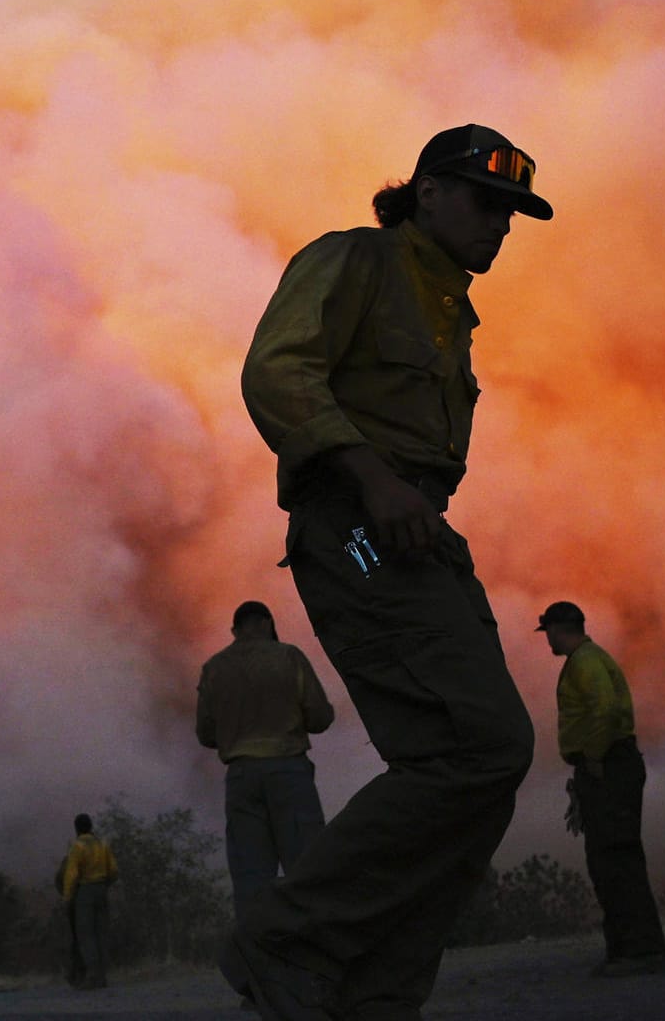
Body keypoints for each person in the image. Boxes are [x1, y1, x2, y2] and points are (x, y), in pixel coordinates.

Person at [230, 124, 550, 1021]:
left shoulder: (450, 304)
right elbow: (277, 371)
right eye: (489, 203)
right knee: (484, 747)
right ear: (430, 192)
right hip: (358, 529)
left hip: (412, 533)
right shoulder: (358, 261)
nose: (503, 226)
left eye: (514, 213)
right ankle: (286, 941)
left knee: (478, 766)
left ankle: (375, 992)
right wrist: (373, 480)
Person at [535, 600, 665, 976]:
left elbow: (605, 709)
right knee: (610, 858)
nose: (547, 640)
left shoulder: (585, 662)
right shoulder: (588, 659)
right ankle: (629, 950)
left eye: (548, 632)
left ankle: (639, 954)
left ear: (560, 629)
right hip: (609, 765)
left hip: (609, 766)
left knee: (615, 858)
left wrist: (593, 757)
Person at [196, 600, 336, 923]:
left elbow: (205, 733)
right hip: (289, 771)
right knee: (307, 868)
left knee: (251, 876)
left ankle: (260, 960)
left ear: (235, 630)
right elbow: (319, 717)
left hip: (242, 776)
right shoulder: (289, 657)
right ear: (268, 623)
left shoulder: (214, 668)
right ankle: (316, 953)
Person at [59, 813, 119, 990]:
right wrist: (105, 884)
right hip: (102, 890)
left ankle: (92, 977)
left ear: (77, 828)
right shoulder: (102, 844)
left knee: (86, 935)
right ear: (91, 827)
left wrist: (67, 898)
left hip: (85, 891)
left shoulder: (77, 847)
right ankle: (102, 977)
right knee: (101, 933)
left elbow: (71, 875)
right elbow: (114, 870)